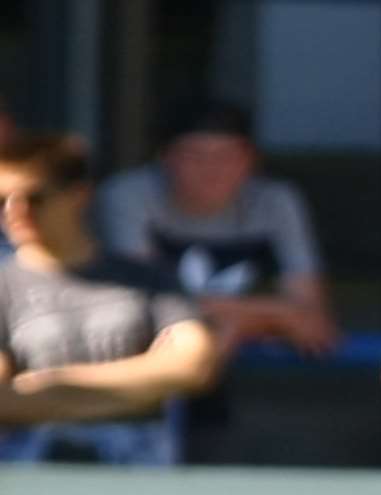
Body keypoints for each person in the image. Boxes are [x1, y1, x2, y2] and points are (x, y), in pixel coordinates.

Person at [0, 134, 221, 451]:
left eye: (34, 198)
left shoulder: (147, 278)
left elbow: (193, 365)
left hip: (139, 478)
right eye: (0, 200)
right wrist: (139, 388)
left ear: (78, 194)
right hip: (37, 480)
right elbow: (4, 401)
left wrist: (51, 385)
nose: (14, 211)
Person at [95, 99, 337, 355]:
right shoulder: (128, 195)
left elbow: (312, 317)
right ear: (164, 158)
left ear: (251, 160)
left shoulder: (276, 201)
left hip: (235, 365)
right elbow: (143, 304)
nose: (211, 169)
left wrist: (229, 320)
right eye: (194, 156)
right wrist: (272, 314)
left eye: (227, 155)